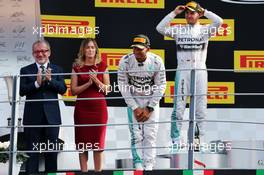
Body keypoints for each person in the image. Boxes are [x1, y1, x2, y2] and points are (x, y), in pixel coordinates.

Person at [156, 1, 223, 147]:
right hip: (183, 70)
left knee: (200, 109)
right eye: (187, 13)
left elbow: (219, 21)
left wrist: (204, 11)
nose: (189, 15)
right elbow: (159, 28)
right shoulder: (179, 29)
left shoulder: (206, 30)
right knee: (179, 107)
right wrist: (174, 13)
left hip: (200, 70)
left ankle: (197, 140)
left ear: (198, 14)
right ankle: (175, 139)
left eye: (192, 13)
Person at [118, 34, 166, 170]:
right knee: (136, 135)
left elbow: (161, 85)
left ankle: (149, 166)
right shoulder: (125, 61)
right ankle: (138, 166)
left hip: (152, 100)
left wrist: (150, 107)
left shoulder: (157, 61)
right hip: (134, 100)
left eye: (140, 49)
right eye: (134, 49)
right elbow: (122, 85)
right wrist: (135, 107)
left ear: (148, 49)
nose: (137, 52)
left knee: (150, 135)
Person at [20, 40, 67, 174]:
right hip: (32, 118)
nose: (40, 54)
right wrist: (36, 83)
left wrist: (51, 80)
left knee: (51, 153)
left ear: (49, 52)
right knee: (31, 153)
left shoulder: (58, 69)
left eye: (43, 51)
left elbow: (63, 89)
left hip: (52, 118)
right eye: (37, 51)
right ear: (33, 54)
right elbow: (22, 90)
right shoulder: (25, 70)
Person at [70, 38, 110, 172]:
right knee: (83, 143)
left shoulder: (102, 65)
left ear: (96, 49)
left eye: (93, 47)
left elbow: (107, 90)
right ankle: (84, 172)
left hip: (99, 110)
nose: (90, 50)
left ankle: (98, 172)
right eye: (88, 47)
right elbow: (73, 90)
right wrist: (87, 84)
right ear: (83, 50)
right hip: (82, 110)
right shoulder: (77, 67)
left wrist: (96, 81)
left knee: (98, 144)